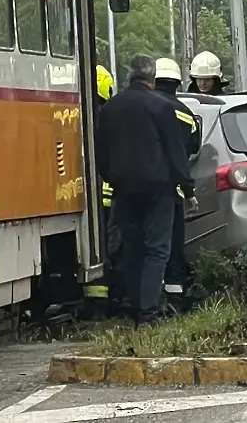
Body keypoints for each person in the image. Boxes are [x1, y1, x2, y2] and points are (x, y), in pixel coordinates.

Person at [95, 54, 196, 326]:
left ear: (130, 76)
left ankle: (133, 306)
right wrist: (187, 189)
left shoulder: (111, 108)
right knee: (156, 250)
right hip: (159, 190)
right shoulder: (161, 107)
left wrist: (112, 177)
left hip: (124, 189)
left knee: (132, 249)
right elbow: (175, 151)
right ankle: (147, 314)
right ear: (152, 78)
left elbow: (100, 153)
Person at [154, 58, 201, 308]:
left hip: (136, 189)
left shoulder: (144, 108)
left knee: (147, 246)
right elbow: (192, 150)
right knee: (171, 246)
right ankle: (174, 299)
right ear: (177, 83)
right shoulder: (187, 115)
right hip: (172, 191)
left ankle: (145, 300)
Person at [83, 65, 116, 315]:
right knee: (109, 248)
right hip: (109, 197)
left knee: (95, 248)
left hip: (86, 198)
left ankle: (95, 304)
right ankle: (105, 304)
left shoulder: (78, 114)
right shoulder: (108, 118)